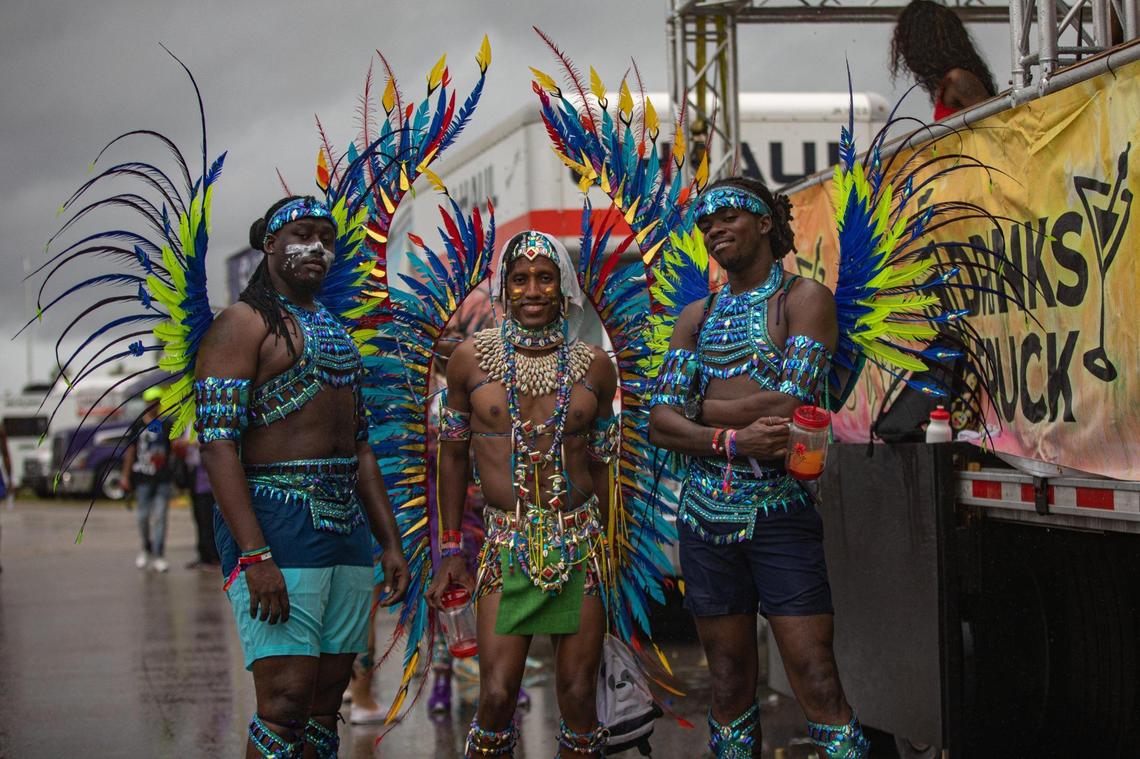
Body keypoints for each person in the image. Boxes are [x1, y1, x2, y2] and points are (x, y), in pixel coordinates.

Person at [648, 177, 868, 758]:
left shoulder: (804, 300)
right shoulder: (697, 315)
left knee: (815, 673)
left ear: (766, 222)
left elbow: (791, 408)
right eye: (705, 223)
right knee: (725, 680)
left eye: (728, 216)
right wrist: (730, 437)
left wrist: (697, 411)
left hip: (781, 515)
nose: (715, 229)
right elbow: (657, 422)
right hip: (703, 519)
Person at [195, 195, 409, 758]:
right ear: (269, 244)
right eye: (302, 235)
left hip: (344, 532)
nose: (318, 248)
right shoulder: (239, 325)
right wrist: (254, 556)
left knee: (323, 700)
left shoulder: (335, 330)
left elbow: (360, 446)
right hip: (278, 524)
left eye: (327, 238)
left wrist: (389, 542)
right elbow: (217, 445)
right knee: (284, 701)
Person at [425, 230, 618, 758]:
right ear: (504, 289)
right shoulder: (469, 359)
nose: (533, 289)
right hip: (505, 546)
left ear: (564, 288)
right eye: (520, 279)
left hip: (579, 544)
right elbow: (454, 458)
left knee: (579, 698)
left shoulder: (594, 365)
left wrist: (614, 547)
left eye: (545, 277)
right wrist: (448, 549)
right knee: (495, 696)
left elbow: (602, 463)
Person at [890, 0, 997, 119]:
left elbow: (994, 125)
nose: (904, 50)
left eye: (907, 41)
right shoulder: (946, 84)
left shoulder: (958, 78)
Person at [122, 386, 177, 573]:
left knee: (160, 516)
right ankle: (146, 548)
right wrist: (125, 476)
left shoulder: (167, 424)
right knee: (143, 517)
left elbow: (173, 449)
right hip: (143, 477)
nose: (154, 405)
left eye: (157, 401)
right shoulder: (138, 425)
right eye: (151, 402)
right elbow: (130, 451)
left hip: (162, 477)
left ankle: (159, 554)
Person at [180, 438, 220, 569]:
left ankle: (213, 556)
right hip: (194, 474)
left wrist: (191, 442)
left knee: (208, 517)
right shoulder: (188, 423)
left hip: (207, 478)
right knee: (199, 517)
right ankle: (203, 555)